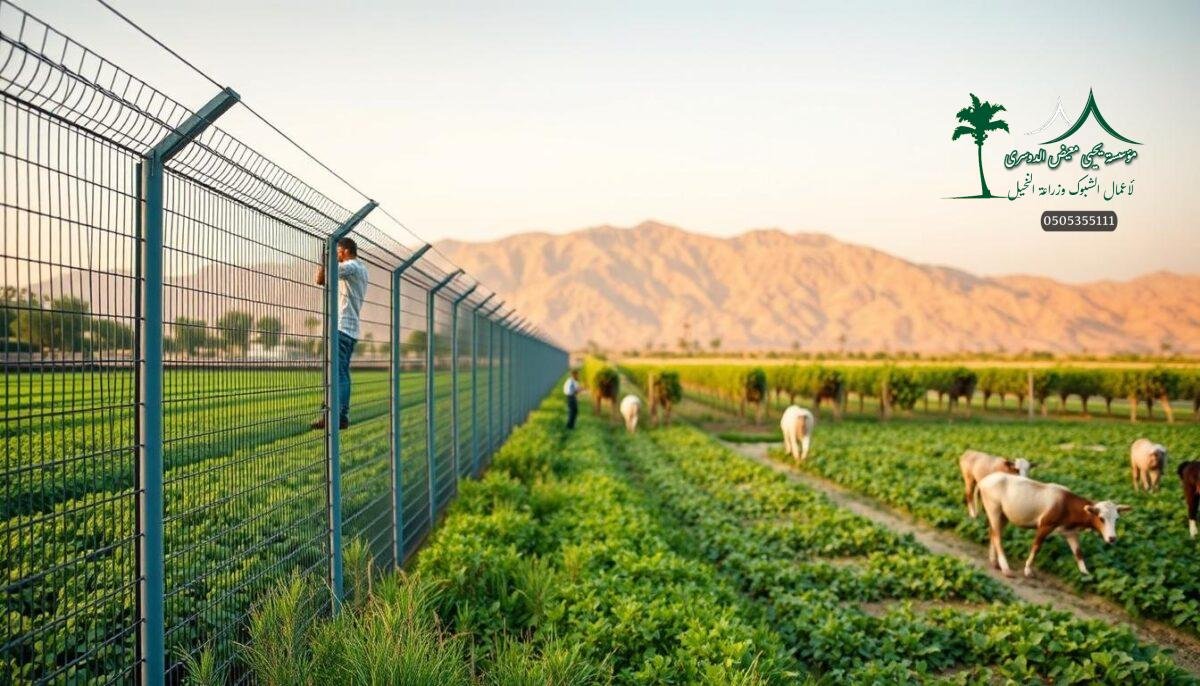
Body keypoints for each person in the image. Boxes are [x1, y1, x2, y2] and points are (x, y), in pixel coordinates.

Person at [311, 236, 368, 430]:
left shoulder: (352, 267)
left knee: (337, 373)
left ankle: (338, 416)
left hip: (342, 328)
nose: (336, 257)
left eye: (337, 253)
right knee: (338, 372)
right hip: (350, 329)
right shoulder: (361, 269)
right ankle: (335, 414)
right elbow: (323, 278)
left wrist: (326, 256)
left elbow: (324, 275)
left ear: (343, 251)